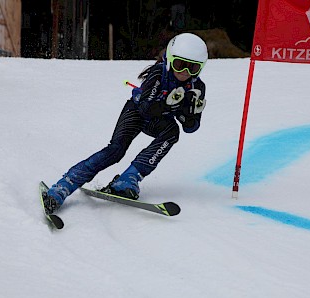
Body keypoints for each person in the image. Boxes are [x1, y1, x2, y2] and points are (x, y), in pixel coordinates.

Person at [44, 32, 208, 215]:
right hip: (136, 112)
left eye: (193, 68)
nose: (185, 72)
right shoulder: (158, 73)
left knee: (172, 132)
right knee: (116, 151)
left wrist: (191, 113)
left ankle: (129, 178)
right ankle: (65, 185)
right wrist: (167, 103)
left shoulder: (196, 88)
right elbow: (145, 108)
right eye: (179, 64)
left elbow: (190, 128)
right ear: (169, 60)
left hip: (158, 121)